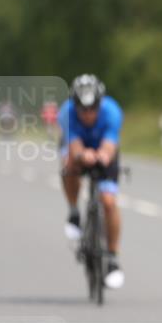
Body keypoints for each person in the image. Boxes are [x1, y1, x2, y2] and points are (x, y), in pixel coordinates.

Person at [59, 74, 125, 289]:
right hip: (79, 149)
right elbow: (74, 145)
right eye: (83, 110)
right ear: (75, 105)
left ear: (100, 103)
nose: (88, 114)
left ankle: (113, 259)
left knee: (108, 202)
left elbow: (110, 144)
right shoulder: (66, 113)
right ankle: (74, 211)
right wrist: (81, 155)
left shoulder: (112, 111)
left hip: (103, 149)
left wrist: (103, 155)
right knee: (68, 166)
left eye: (92, 109)